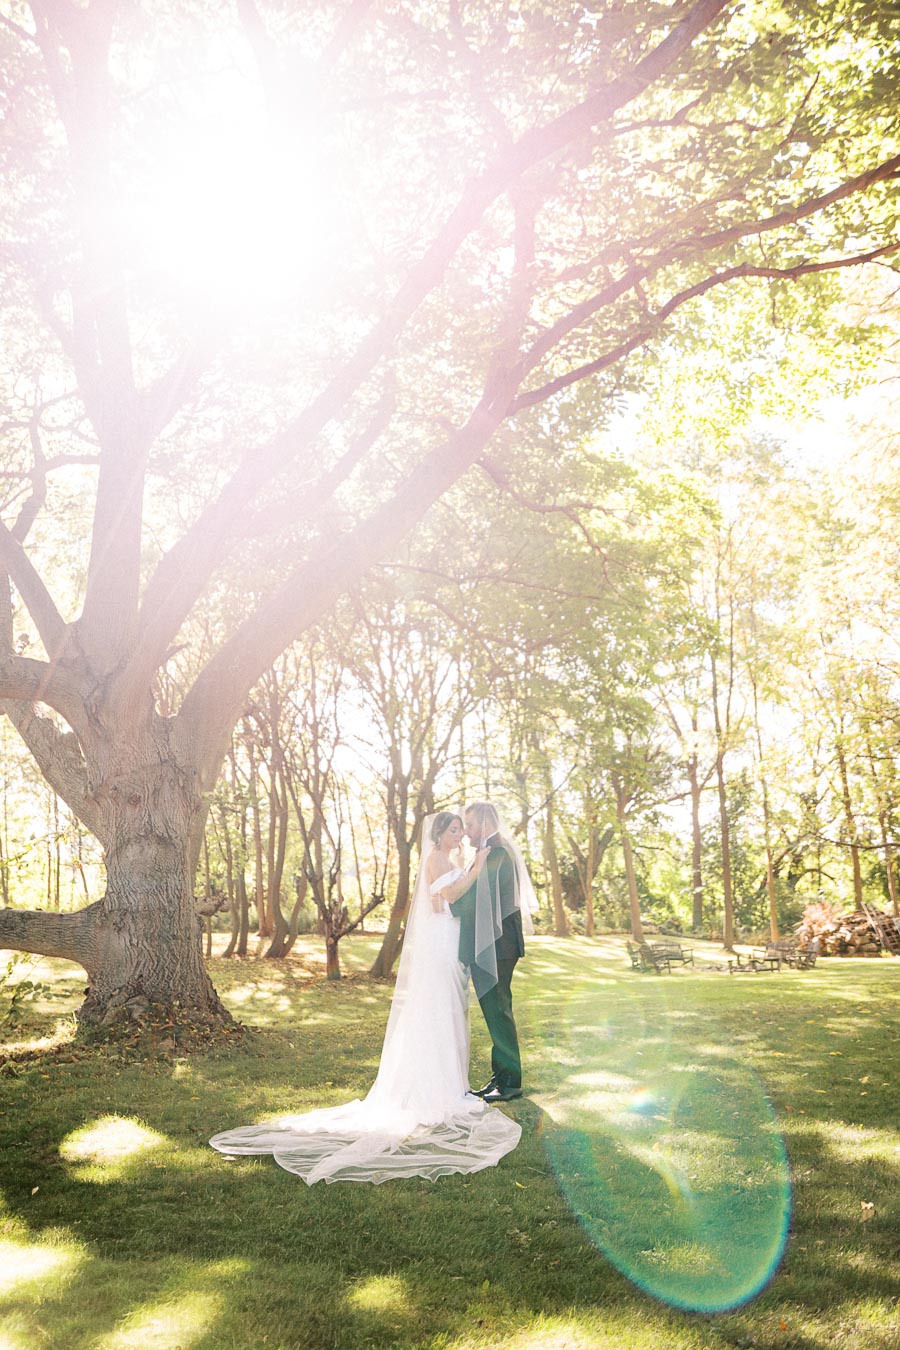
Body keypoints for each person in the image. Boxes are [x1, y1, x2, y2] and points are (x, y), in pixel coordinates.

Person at [209, 810, 521, 1184]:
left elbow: (456, 900)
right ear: (439, 835)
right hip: (441, 946)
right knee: (440, 1009)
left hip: (453, 943)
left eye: (463, 828)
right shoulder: (440, 859)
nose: (461, 834)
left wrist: (468, 875)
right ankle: (443, 1085)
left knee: (453, 1011)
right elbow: (451, 894)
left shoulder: (464, 857)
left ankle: (461, 1081)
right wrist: (472, 872)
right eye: (455, 829)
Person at [448, 801, 536, 1103]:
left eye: (469, 825)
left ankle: (510, 1083)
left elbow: (467, 903)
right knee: (496, 1012)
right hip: (495, 945)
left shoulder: (496, 853)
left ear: (484, 823)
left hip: (496, 946)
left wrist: (452, 896)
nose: (467, 832)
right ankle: (500, 1077)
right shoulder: (491, 852)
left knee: (498, 1013)